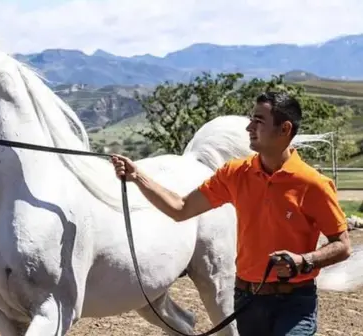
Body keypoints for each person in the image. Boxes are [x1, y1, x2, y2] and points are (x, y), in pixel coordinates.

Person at [111, 91, 351, 336]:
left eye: (259, 121)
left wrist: (305, 261)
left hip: (294, 303)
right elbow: (180, 208)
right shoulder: (235, 174)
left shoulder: (313, 184)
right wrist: (137, 176)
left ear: (284, 129)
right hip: (247, 301)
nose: (249, 127)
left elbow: (342, 246)